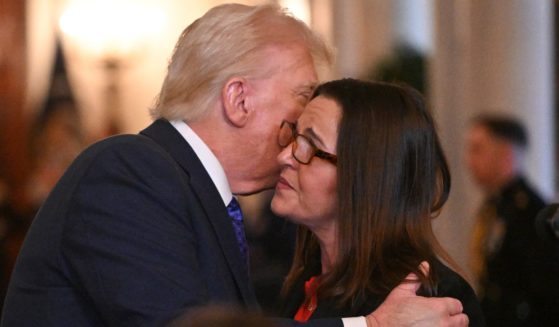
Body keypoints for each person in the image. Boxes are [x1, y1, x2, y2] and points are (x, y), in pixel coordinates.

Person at [2, 4, 467, 327]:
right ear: (239, 99)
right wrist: (371, 325)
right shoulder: (129, 171)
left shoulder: (192, 191)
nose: (293, 144)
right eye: (299, 105)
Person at [271, 79, 484, 326]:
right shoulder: (309, 279)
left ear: (367, 178)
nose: (284, 156)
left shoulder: (428, 302)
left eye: (309, 145)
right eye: (295, 137)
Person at [465, 114, 559, 326]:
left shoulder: (533, 213)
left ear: (506, 154)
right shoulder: (495, 206)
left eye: (478, 149)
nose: (468, 160)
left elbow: (548, 292)